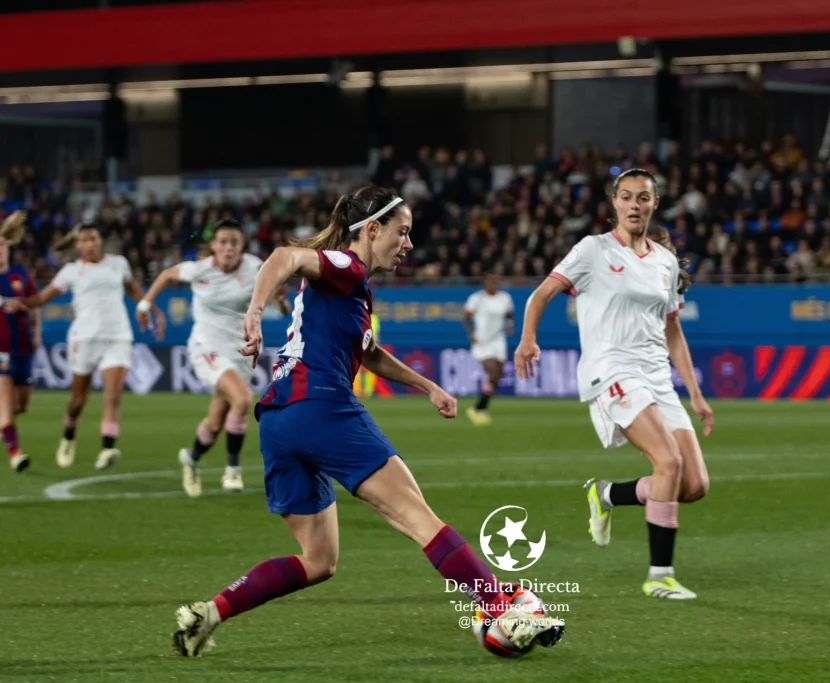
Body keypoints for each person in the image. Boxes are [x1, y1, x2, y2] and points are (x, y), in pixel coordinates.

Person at [172, 187, 564, 656]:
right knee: (420, 520)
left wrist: (428, 386)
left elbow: (370, 352)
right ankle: (502, 610)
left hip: (278, 421)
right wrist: (254, 311)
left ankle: (208, 614)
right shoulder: (347, 265)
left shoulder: (352, 287)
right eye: (403, 232)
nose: (409, 244)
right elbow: (283, 256)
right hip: (321, 407)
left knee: (319, 561)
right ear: (372, 229)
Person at [514, 169, 713, 601]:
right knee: (667, 462)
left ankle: (605, 494)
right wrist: (528, 338)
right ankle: (660, 575)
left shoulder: (663, 260)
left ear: (654, 203)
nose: (635, 205)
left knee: (694, 484)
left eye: (643, 197)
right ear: (615, 203)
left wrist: (694, 392)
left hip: (657, 375)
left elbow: (673, 330)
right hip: (613, 370)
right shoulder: (593, 250)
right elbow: (541, 295)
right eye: (627, 197)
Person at [138, 220, 290, 497]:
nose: (229, 248)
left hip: (242, 349)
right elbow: (167, 275)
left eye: (234, 242)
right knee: (243, 399)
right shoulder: (200, 269)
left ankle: (191, 458)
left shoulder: (257, 267)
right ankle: (233, 470)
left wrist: (280, 300)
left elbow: (282, 308)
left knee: (216, 422)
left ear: (242, 245)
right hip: (206, 345)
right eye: (223, 242)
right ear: (214, 246)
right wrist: (145, 304)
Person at [8, 223, 165, 470]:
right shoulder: (71, 271)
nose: (90, 243)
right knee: (78, 401)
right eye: (85, 240)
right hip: (84, 339)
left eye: (94, 238)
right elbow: (43, 297)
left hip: (117, 337)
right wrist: (21, 302)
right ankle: (68, 437)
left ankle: (107, 448)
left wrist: (149, 308)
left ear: (100, 240)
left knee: (112, 396)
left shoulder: (118, 263)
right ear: (77, 245)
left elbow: (134, 290)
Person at [0, 212, 41, 472]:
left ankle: (5, 426)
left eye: (2, 246)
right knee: (5, 405)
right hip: (0, 349)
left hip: (23, 347)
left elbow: (35, 305)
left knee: (21, 405)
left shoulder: (20, 275)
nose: (0, 252)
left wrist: (37, 333)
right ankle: (15, 453)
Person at [463, 272, 514, 425]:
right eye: (491, 281)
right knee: (492, 372)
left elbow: (509, 315)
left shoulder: (504, 298)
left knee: (497, 376)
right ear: (485, 283)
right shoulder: (477, 299)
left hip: (498, 341)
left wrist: (510, 325)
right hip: (482, 342)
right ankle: (478, 409)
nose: (495, 284)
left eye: (497, 282)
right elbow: (466, 317)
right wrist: (471, 333)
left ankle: (480, 408)